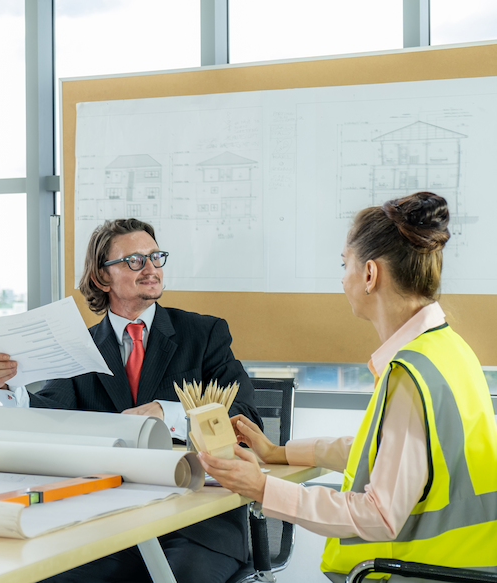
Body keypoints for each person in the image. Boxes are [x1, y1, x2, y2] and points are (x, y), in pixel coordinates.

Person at [200, 192, 497, 581]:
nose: (342, 280)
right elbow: (382, 452)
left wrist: (263, 490)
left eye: (345, 265)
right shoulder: (447, 349)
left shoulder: (411, 373)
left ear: (370, 274)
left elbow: (379, 515)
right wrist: (280, 452)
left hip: (417, 574)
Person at [0, 218, 262, 583]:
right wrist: (7, 387)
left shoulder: (204, 334)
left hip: (197, 526)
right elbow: (48, 419)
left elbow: (246, 417)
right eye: (134, 260)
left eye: (155, 257)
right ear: (101, 277)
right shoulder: (79, 347)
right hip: (108, 527)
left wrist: (170, 414)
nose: (151, 268)